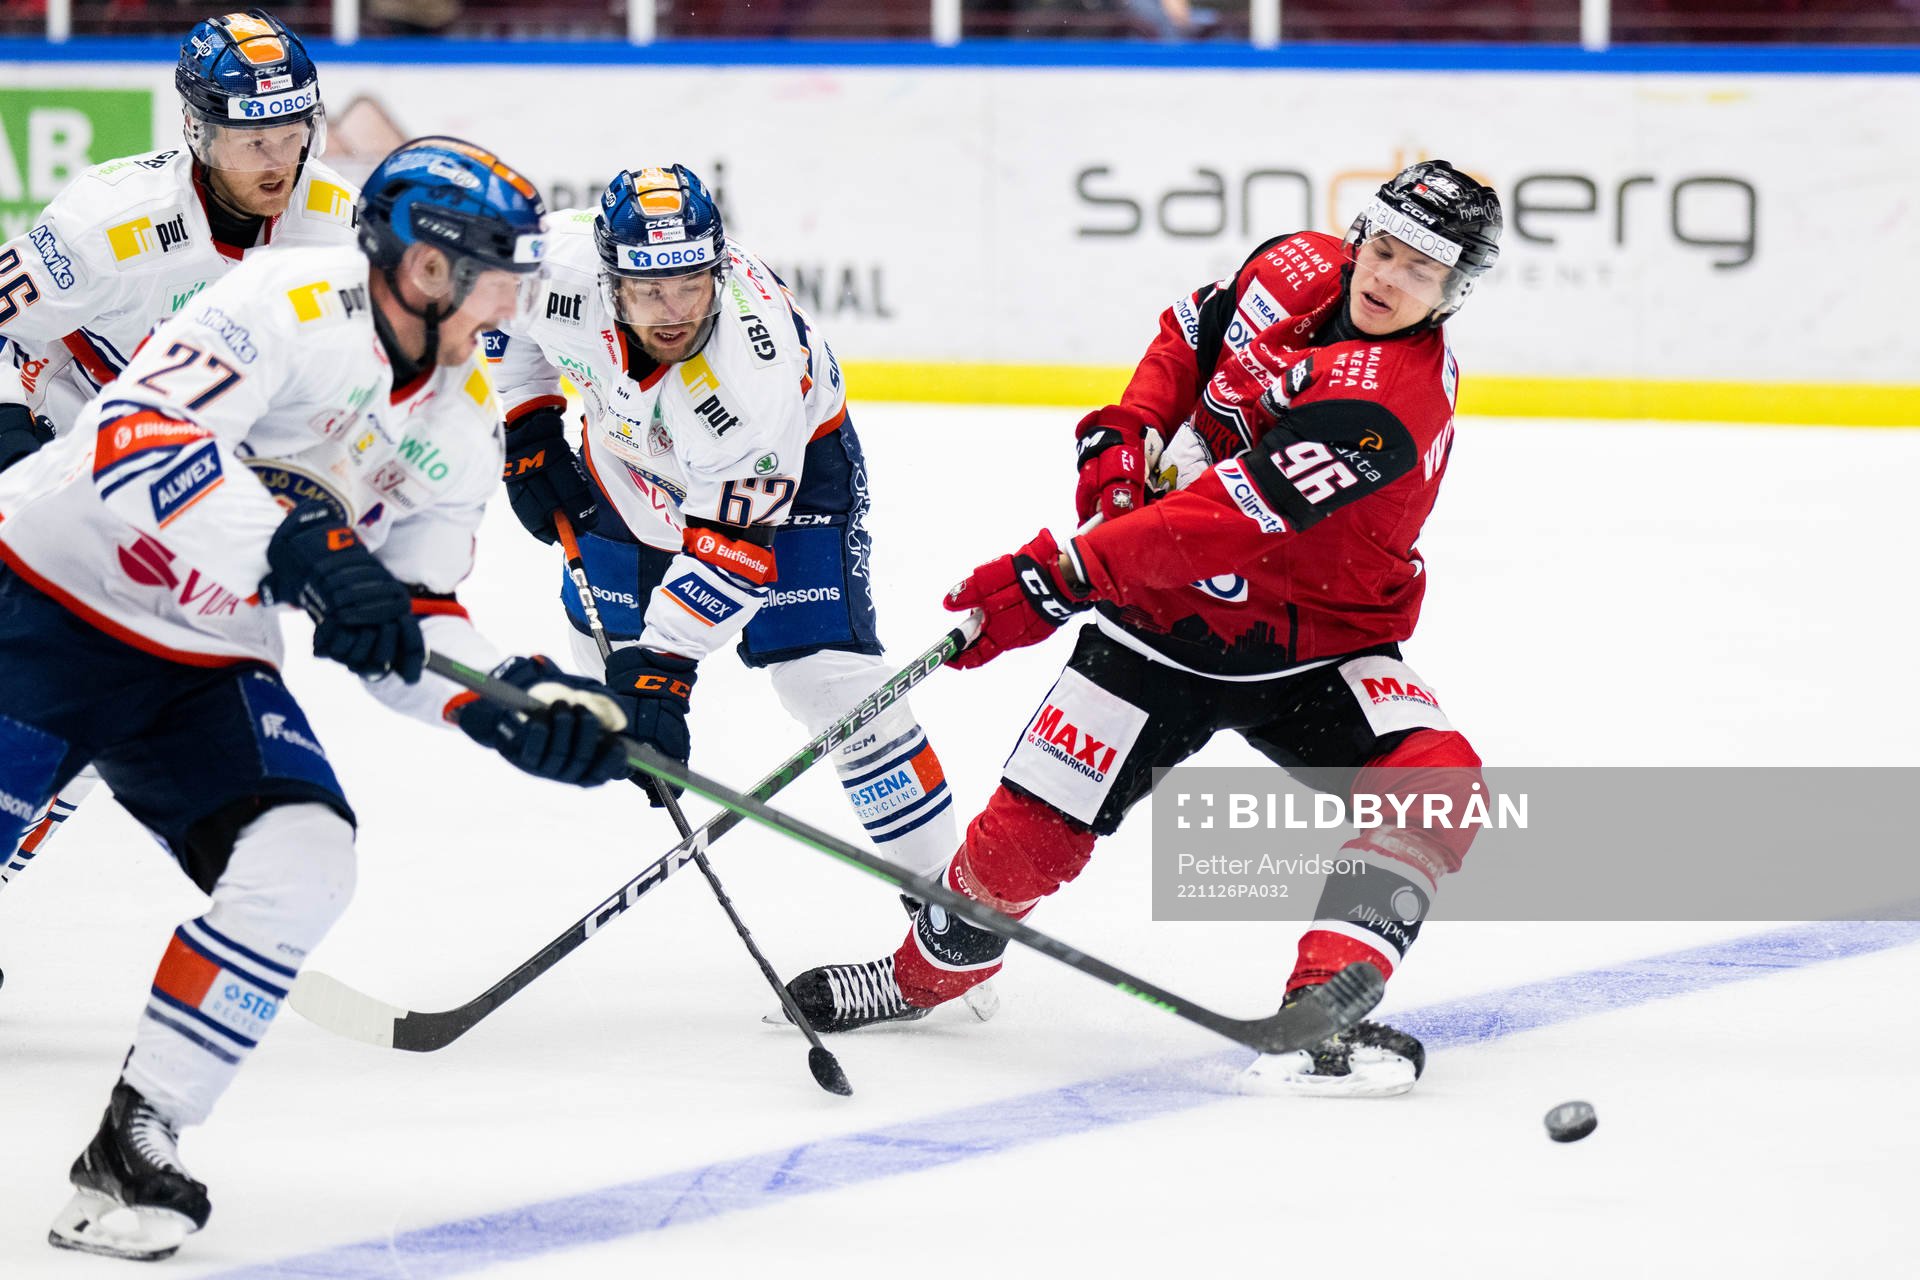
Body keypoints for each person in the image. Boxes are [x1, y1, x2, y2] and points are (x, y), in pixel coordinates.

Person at [0, 137, 639, 1261]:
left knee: (305, 853)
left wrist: (506, 701)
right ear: (427, 270)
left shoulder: (458, 421)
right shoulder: (283, 301)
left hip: (198, 653)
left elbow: (411, 613)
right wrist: (295, 542)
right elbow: (130, 438)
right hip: (40, 593)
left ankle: (133, 1140)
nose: (517, 300)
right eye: (500, 273)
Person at [786, 160, 1503, 1096]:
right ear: (1359, 234)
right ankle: (926, 978)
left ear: (1455, 293)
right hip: (1158, 624)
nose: (1385, 275)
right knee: (1015, 851)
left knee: (1435, 782)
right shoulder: (1290, 265)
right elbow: (1188, 338)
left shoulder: (1388, 400)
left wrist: (1068, 570)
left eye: (1420, 269)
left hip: (1315, 641)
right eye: (1383, 248)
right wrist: (1128, 429)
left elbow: (1236, 517)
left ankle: (1326, 1013)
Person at [489, 166, 966, 920]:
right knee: (607, 650)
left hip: (793, 473)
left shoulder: (753, 374)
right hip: (628, 455)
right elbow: (501, 321)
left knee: (829, 684)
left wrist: (669, 667)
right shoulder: (552, 265)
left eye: (692, 284)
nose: (675, 310)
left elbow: (734, 550)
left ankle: (954, 905)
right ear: (610, 281)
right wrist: (529, 417)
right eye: (649, 291)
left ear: (717, 265)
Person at [0, 9, 359, 911]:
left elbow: (351, 391)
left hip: (182, 493)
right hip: (57, 459)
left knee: (118, 694)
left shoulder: (340, 225)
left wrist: (320, 510)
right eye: (251, 138)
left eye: (292, 132)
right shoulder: (106, 220)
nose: (278, 159)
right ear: (197, 130)